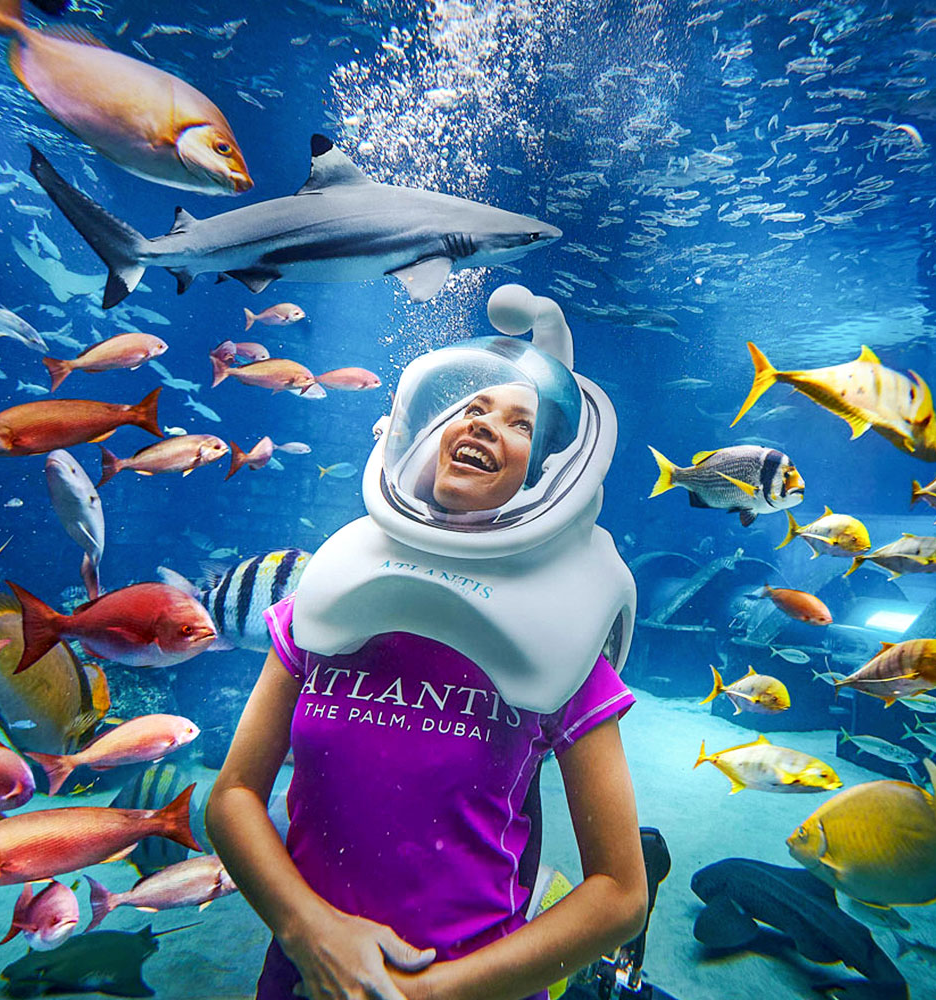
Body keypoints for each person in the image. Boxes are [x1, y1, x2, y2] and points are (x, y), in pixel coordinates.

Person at [208, 287, 647, 1000]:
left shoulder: (561, 636)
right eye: (473, 409)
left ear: (543, 474)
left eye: (518, 423)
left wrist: (429, 994)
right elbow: (231, 796)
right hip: (303, 982)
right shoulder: (331, 596)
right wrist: (308, 932)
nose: (483, 424)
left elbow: (620, 893)